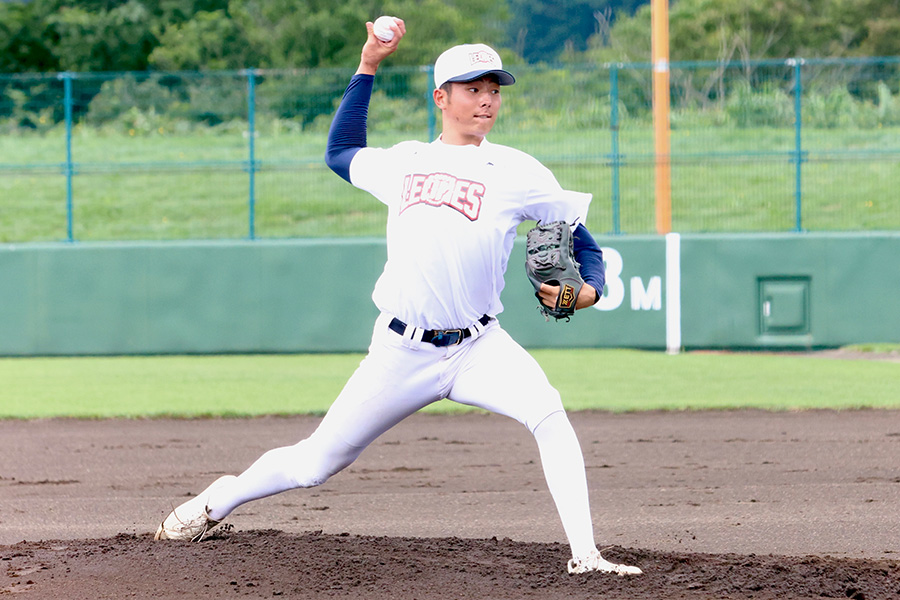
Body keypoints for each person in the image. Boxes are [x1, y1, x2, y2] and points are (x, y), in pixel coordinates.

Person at [154, 18, 642, 577]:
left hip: (480, 346)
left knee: (550, 414)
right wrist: (368, 65)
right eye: (473, 89)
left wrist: (592, 289)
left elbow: (581, 239)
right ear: (442, 97)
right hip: (400, 350)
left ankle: (586, 555)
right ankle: (216, 502)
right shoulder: (404, 161)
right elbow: (340, 150)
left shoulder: (519, 171)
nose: (486, 101)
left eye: (493, 90)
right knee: (315, 463)